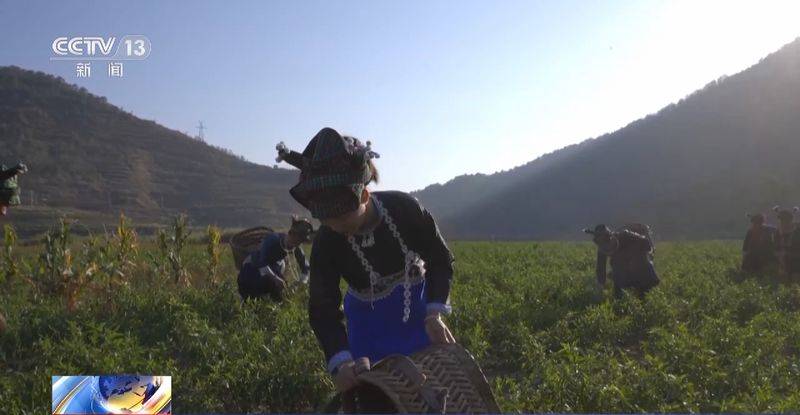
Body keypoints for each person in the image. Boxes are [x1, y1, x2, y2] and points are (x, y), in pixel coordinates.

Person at [276, 127, 456, 397]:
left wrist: (434, 314)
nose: (337, 228)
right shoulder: (327, 240)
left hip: (417, 315)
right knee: (377, 395)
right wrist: (341, 361)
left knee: (432, 390)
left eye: (344, 220)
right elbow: (323, 307)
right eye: (328, 222)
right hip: (368, 324)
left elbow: (439, 258)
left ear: (363, 196)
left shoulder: (405, 210)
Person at [237, 216, 313, 301]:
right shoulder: (272, 240)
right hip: (252, 271)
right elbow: (263, 265)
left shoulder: (296, 247)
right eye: (295, 240)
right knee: (253, 296)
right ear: (290, 233)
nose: (296, 244)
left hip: (273, 271)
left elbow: (305, 268)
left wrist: (300, 283)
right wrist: (276, 279)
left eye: (299, 242)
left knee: (282, 293)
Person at [584, 224, 659, 298]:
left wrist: (634, 254)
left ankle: (640, 288)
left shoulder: (625, 235)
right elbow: (601, 268)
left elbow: (646, 244)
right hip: (621, 270)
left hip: (639, 263)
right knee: (618, 293)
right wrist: (600, 285)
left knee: (644, 285)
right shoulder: (602, 249)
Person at [772, 206, 798, 282]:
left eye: (786, 221)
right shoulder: (777, 232)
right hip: (782, 261)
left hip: (796, 260)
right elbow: (776, 248)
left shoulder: (797, 231)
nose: (783, 223)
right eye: (781, 220)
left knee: (795, 279)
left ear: (791, 220)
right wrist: (780, 258)